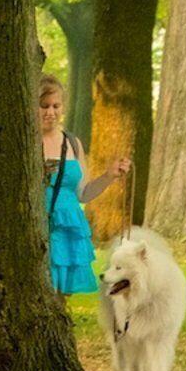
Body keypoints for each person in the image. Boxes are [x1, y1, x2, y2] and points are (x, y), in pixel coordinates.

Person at [37, 78, 125, 308]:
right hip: (39, 226)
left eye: (56, 106)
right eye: (44, 105)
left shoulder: (72, 143)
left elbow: (83, 193)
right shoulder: (26, 142)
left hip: (68, 228)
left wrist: (109, 175)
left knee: (60, 300)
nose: (51, 112)